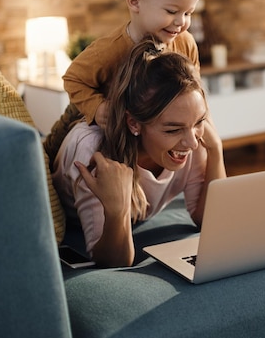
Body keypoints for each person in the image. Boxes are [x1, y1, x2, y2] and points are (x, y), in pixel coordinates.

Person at [52, 37, 226, 268]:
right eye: (173, 129)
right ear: (134, 124)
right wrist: (117, 209)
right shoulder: (93, 152)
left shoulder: (192, 137)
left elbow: (210, 220)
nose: (192, 142)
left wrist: (216, 151)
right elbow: (115, 261)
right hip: (72, 225)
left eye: (199, 121)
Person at [44, 0, 203, 168]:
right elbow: (73, 79)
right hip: (84, 121)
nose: (181, 22)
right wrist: (97, 108)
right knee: (48, 162)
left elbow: (194, 85)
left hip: (135, 133)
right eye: (171, 11)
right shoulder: (107, 51)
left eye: (188, 13)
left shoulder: (185, 43)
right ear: (134, 2)